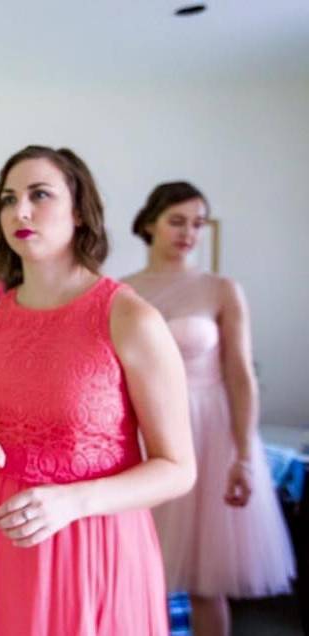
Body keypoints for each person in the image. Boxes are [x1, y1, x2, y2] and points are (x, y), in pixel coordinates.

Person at [0, 146, 197, 636]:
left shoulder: (130, 318)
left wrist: (72, 502)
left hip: (92, 542)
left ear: (79, 211)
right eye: (8, 198)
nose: (19, 211)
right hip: (0, 542)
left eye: (39, 195)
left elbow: (178, 470)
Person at [123, 181, 295, 636]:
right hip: (145, 431)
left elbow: (240, 376)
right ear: (149, 224)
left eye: (197, 223)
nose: (189, 233)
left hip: (210, 432)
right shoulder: (121, 291)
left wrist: (242, 454)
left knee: (206, 582)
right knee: (137, 571)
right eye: (177, 221)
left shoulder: (221, 289)